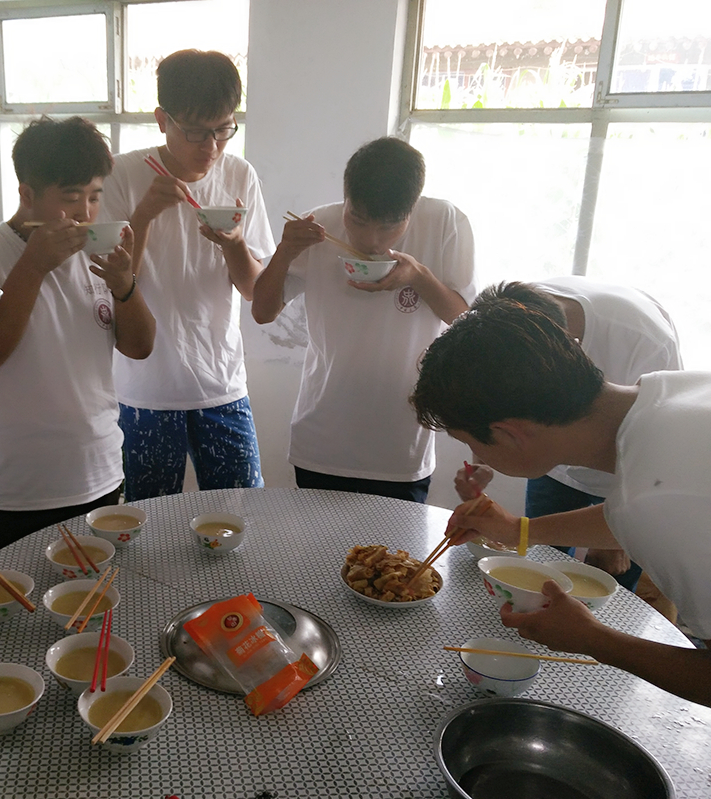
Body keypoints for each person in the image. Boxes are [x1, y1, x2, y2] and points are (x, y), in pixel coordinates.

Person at [410, 292, 711, 707]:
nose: (475, 455)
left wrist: (594, 639)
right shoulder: (670, 393)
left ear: (510, 433)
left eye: (470, 442)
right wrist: (519, 530)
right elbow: (633, 516)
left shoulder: (658, 500)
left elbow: (657, 509)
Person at [0, 116, 155, 555]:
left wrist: (125, 285)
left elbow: (139, 347)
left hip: (97, 471)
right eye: (71, 197)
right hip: (15, 488)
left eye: (95, 196)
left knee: (98, 592)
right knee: (23, 598)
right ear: (27, 194)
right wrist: (34, 265)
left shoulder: (97, 254)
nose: (86, 212)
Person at [252, 137, 474, 503]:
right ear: (346, 196)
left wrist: (418, 276)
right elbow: (262, 312)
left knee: (395, 543)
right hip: (321, 441)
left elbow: (464, 319)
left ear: (413, 207)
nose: (370, 240)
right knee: (317, 541)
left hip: (401, 447)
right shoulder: (319, 225)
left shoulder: (444, 222)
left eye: (389, 226)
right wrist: (284, 251)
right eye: (357, 219)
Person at [100, 49, 276, 500]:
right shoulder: (123, 174)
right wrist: (143, 216)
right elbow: (114, 284)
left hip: (222, 383)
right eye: (196, 132)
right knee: (148, 519)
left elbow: (254, 289)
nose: (211, 147)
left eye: (224, 129)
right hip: (144, 389)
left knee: (243, 510)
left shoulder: (239, 175)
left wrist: (234, 244)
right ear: (163, 120)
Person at [454, 278, 682, 597]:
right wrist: (483, 462)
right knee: (538, 567)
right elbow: (486, 399)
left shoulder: (644, 341)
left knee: (608, 586)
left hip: (627, 477)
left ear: (565, 352)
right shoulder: (506, 316)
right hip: (552, 460)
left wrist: (619, 536)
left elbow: (656, 457)